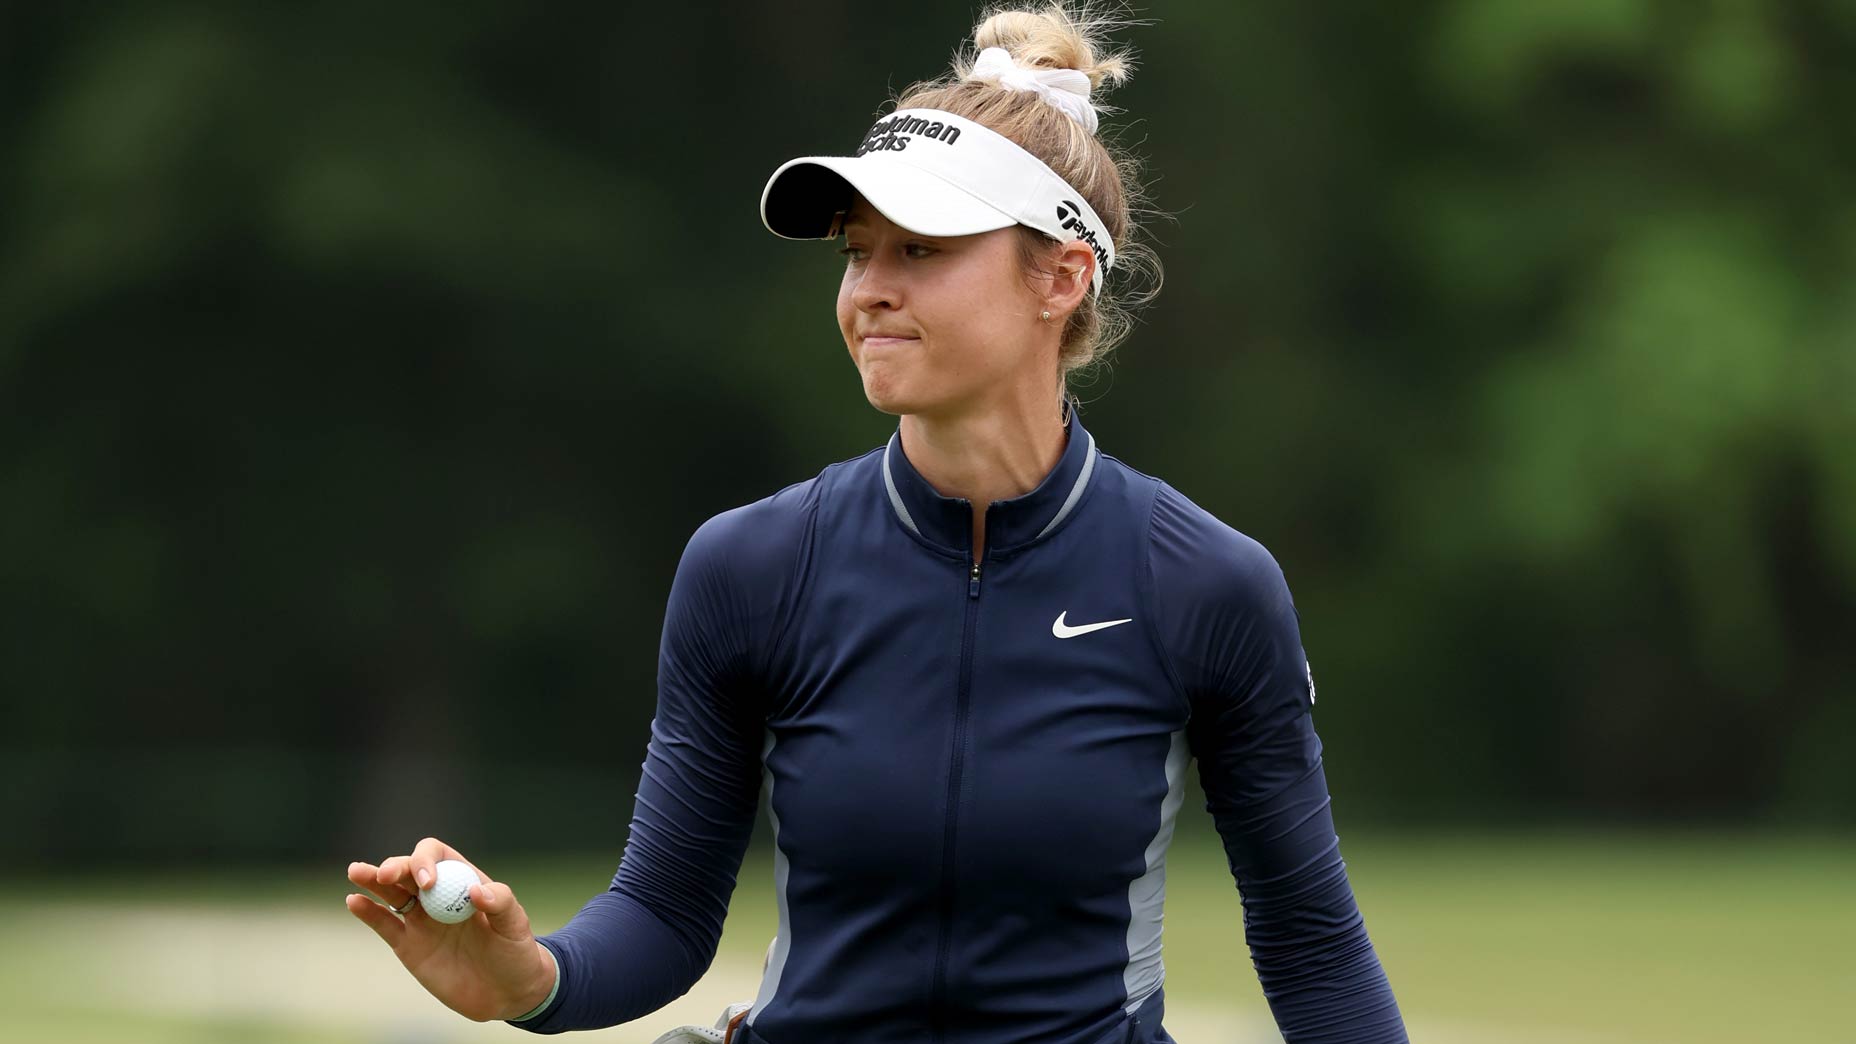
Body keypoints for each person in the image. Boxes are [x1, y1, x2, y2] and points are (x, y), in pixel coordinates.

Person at [343, 3, 1409, 1041]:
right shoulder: (754, 566)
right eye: (858, 252)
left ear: (1061, 277)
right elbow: (664, 916)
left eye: (921, 252)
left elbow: (1309, 944)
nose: (868, 292)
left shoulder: (1202, 584)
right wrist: (532, 979)